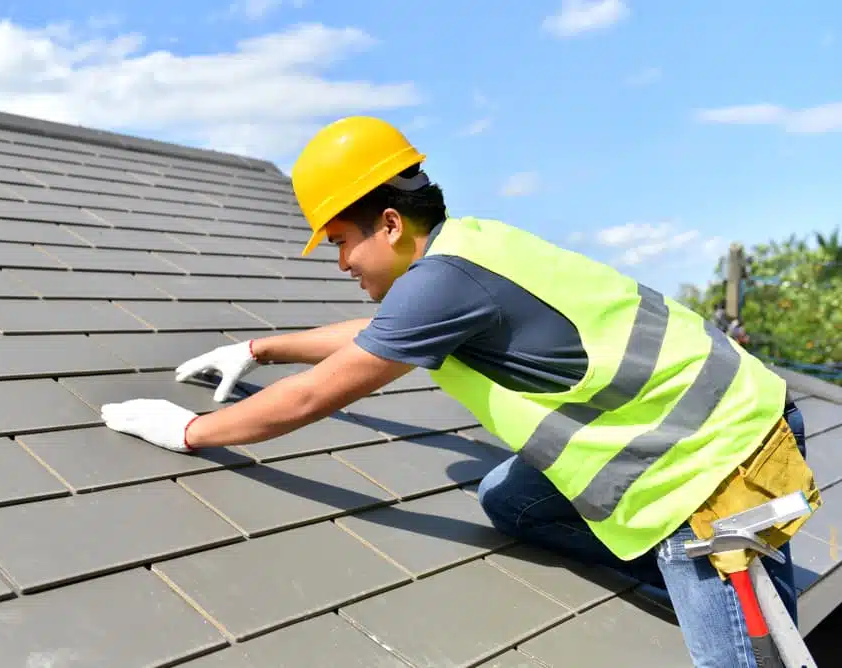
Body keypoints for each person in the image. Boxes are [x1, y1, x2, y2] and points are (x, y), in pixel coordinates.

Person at [101, 116, 820, 667]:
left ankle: (706, 587)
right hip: (708, 421)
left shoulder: (442, 283)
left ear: (388, 223)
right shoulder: (464, 249)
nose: (341, 260)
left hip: (716, 474)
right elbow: (380, 332)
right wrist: (260, 347)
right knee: (509, 499)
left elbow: (309, 400)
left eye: (342, 240)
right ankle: (686, 586)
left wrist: (187, 431)